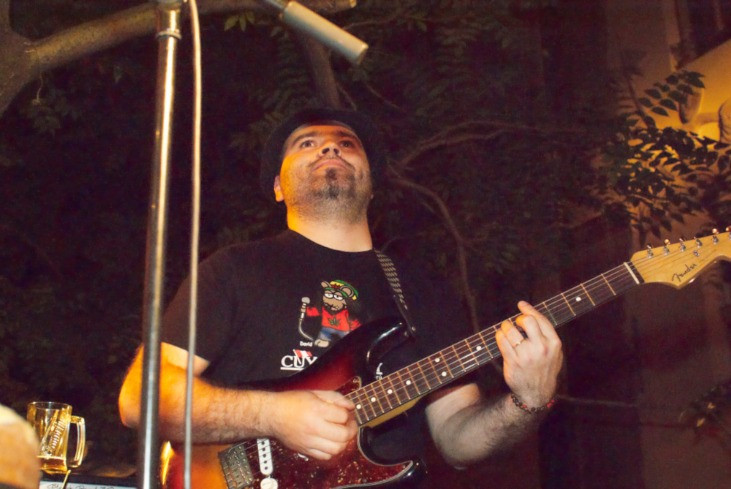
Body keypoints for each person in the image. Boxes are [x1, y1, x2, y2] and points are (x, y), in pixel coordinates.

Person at [118, 108, 564, 487]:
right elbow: (141, 398)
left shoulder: (425, 291)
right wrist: (274, 416)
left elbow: (457, 439)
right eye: (307, 143)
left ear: (371, 184)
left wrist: (528, 400)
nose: (330, 148)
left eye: (346, 143)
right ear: (278, 187)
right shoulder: (233, 269)